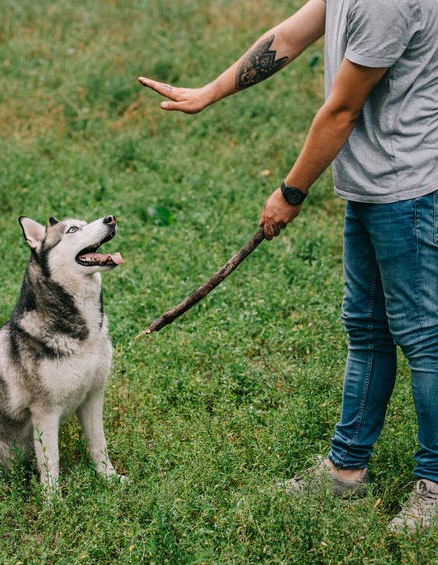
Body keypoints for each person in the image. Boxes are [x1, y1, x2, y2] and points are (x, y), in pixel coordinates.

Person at [138, 0, 438, 534]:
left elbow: (341, 111)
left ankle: (434, 484)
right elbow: (289, 36)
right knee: (367, 330)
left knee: (423, 339)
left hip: (407, 190)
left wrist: (291, 191)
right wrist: (210, 92)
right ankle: (346, 470)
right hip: (372, 185)